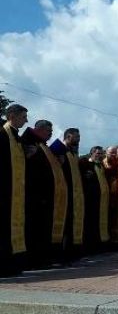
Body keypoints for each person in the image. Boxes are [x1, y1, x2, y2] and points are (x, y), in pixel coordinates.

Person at [21, 120, 67, 268]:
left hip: (47, 197)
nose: (51, 134)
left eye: (51, 131)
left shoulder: (45, 147)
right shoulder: (30, 142)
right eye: (48, 131)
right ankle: (34, 260)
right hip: (35, 195)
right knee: (35, 228)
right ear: (39, 130)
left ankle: (44, 258)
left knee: (44, 228)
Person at [0, 104, 28, 276]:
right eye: (23, 117)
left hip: (16, 193)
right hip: (4, 192)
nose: (26, 120)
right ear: (12, 116)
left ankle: (13, 264)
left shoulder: (17, 138)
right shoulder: (2, 134)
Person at [50, 128, 85, 260]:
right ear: (68, 136)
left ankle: (71, 252)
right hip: (63, 193)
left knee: (72, 223)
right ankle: (60, 254)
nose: (79, 139)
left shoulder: (74, 153)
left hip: (74, 194)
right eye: (76, 137)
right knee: (64, 224)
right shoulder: (57, 149)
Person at [79, 146, 110, 253]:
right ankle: (90, 246)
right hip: (91, 200)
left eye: (101, 154)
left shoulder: (101, 166)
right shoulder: (85, 165)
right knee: (91, 223)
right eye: (98, 153)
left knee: (100, 222)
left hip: (102, 200)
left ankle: (100, 244)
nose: (100, 156)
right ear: (92, 153)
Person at [102, 146, 118, 242]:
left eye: (115, 153)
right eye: (111, 152)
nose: (113, 154)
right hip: (104, 194)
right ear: (106, 153)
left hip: (115, 195)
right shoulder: (102, 163)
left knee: (113, 218)